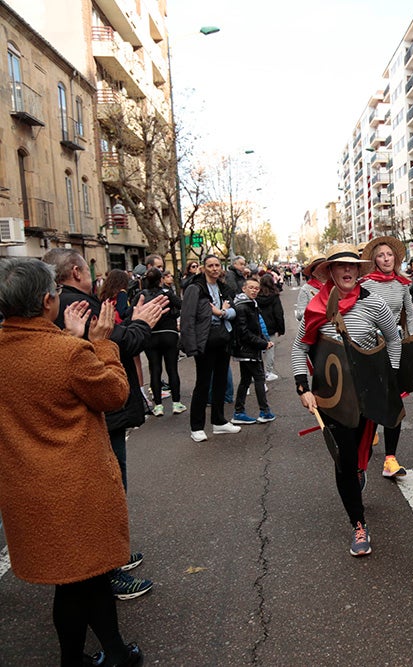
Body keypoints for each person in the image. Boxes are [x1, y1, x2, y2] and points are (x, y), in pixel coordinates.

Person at [0, 257, 144, 667]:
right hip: (76, 486)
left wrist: (71, 339)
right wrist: (99, 343)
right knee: (78, 581)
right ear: (47, 300)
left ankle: (114, 651)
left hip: (25, 486)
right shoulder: (69, 353)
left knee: (87, 576)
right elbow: (114, 393)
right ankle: (74, 659)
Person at [292, 243, 401, 557]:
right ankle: (359, 523)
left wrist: (390, 376)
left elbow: (393, 338)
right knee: (343, 458)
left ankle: (358, 470)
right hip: (330, 395)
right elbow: (299, 349)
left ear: (359, 270)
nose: (347, 271)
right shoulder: (317, 307)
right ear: (331, 271)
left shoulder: (374, 303)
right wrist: (303, 387)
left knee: (359, 449)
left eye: (352, 266)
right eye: (341, 266)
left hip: (367, 391)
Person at [361, 235, 413, 478]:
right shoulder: (365, 283)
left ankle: (390, 460)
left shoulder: (402, 283)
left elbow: (410, 313)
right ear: (374, 259)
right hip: (370, 347)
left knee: (393, 402)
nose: (385, 259)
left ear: (395, 258)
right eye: (381, 255)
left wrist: (412, 342)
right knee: (369, 400)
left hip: (394, 344)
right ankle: (361, 454)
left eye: (389, 255)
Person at [180, 254, 242, 442]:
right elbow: (188, 318)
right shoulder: (195, 288)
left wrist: (222, 312)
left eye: (217, 265)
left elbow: (234, 311)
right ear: (203, 268)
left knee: (221, 381)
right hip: (205, 340)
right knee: (203, 383)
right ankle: (196, 426)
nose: (214, 268)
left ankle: (219, 421)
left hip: (222, 338)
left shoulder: (224, 287)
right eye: (210, 265)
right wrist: (191, 345)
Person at [141, 268, 185, 417]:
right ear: (161, 280)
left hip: (151, 335)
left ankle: (158, 406)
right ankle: (176, 403)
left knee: (155, 369)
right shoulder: (167, 294)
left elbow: (130, 312)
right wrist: (173, 314)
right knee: (172, 368)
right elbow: (182, 306)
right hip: (169, 334)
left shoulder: (142, 295)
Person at [231, 277, 276, 425]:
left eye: (256, 288)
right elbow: (244, 332)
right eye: (251, 287)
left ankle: (239, 411)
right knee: (259, 378)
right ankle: (264, 411)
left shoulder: (249, 304)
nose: (254, 290)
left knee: (245, 381)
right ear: (244, 289)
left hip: (246, 350)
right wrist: (262, 343)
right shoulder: (244, 306)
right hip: (249, 350)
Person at [256, 273, 285, 381]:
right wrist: (281, 328)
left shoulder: (256, 296)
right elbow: (278, 313)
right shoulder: (274, 296)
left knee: (257, 350)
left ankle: (257, 372)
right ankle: (268, 372)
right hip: (271, 327)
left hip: (258, 325)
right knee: (270, 350)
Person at [295, 254, 327, 321]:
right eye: (319, 268)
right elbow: (299, 315)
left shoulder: (336, 286)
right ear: (313, 272)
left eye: (325, 267)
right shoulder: (306, 289)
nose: (323, 271)